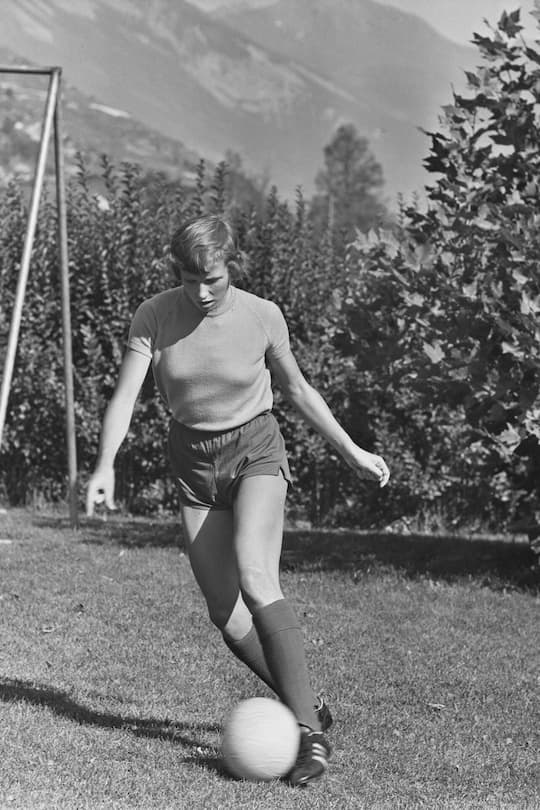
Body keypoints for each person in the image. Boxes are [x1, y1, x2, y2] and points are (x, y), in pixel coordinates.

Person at [86, 214, 390, 787]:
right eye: (189, 278)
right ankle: (308, 703)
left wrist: (350, 451)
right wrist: (105, 466)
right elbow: (125, 396)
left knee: (256, 577)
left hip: (255, 451)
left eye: (213, 279)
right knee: (226, 615)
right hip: (193, 467)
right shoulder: (154, 315)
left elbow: (298, 389)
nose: (201, 291)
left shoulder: (261, 315)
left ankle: (310, 737)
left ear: (231, 268)